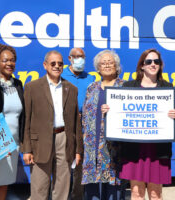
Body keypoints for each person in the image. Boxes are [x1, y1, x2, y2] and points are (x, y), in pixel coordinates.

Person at [102, 48, 175, 200]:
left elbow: (172, 118)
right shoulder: (129, 87)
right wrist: (109, 111)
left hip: (158, 150)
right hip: (134, 150)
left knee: (156, 194)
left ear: (160, 65)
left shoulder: (167, 88)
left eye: (156, 61)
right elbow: (119, 113)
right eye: (149, 61)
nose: (153, 64)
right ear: (141, 65)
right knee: (136, 193)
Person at [22, 50, 83, 200]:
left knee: (62, 187)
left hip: (64, 140)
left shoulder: (71, 89)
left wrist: (78, 149)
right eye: (53, 63)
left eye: (60, 64)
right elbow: (26, 120)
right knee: (39, 188)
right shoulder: (32, 87)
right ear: (45, 65)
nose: (57, 66)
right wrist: (27, 149)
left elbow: (76, 122)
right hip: (40, 143)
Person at [82, 49, 125, 200]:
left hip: (115, 149)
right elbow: (85, 117)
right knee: (92, 193)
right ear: (98, 68)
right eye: (103, 63)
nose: (107, 65)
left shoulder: (125, 87)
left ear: (117, 66)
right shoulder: (91, 88)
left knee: (114, 192)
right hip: (92, 149)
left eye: (110, 62)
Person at [0, 44, 24, 200]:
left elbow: (22, 115)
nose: (9, 64)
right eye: (5, 60)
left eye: (12, 60)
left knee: (3, 183)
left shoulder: (18, 84)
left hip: (13, 144)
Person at [61, 47, 95, 200]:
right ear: (69, 58)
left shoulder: (90, 78)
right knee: (63, 163)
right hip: (65, 126)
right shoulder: (61, 75)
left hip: (84, 128)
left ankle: (77, 196)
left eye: (82, 56)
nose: (79, 59)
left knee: (80, 164)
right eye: (76, 56)